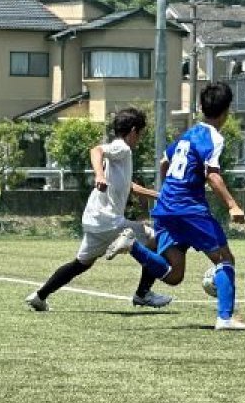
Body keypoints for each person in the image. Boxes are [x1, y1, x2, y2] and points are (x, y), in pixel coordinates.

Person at [125, 81, 245, 331]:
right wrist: (233, 205)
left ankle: (131, 246)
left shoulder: (187, 135)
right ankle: (225, 318)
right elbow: (213, 176)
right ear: (227, 110)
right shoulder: (213, 138)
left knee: (174, 275)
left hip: (166, 207)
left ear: (202, 108)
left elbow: (164, 161)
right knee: (225, 259)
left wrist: (169, 189)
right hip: (189, 209)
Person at [25, 107, 174, 311]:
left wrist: (158, 195)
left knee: (81, 263)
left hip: (95, 219)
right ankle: (143, 293)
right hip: (110, 220)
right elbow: (96, 150)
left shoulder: (120, 155)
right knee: (154, 239)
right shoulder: (122, 148)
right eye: (140, 134)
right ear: (133, 131)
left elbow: (128, 185)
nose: (139, 139)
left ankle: (40, 296)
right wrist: (99, 176)